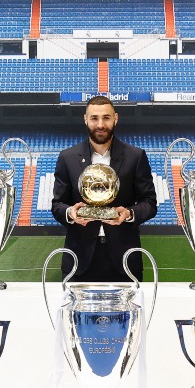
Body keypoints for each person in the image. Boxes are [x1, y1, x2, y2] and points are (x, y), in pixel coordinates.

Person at [51, 95, 157, 281]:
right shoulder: (67, 158)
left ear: (115, 118)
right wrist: (70, 212)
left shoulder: (135, 156)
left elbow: (149, 203)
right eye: (94, 118)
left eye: (106, 118)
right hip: (79, 261)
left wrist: (129, 214)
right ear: (85, 119)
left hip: (124, 261)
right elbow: (57, 204)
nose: (100, 124)